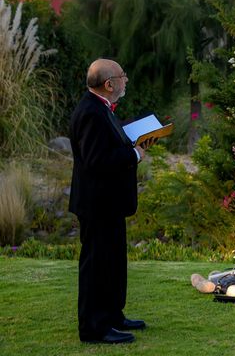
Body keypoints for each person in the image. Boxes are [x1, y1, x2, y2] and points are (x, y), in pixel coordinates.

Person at [69, 59, 149, 344]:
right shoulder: (91, 112)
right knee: (96, 265)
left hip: (109, 203)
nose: (126, 80)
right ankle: (93, 327)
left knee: (113, 262)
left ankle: (113, 315)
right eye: (122, 76)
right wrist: (135, 155)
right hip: (97, 204)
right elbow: (96, 160)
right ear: (109, 84)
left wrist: (134, 143)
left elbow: (108, 146)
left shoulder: (102, 109)